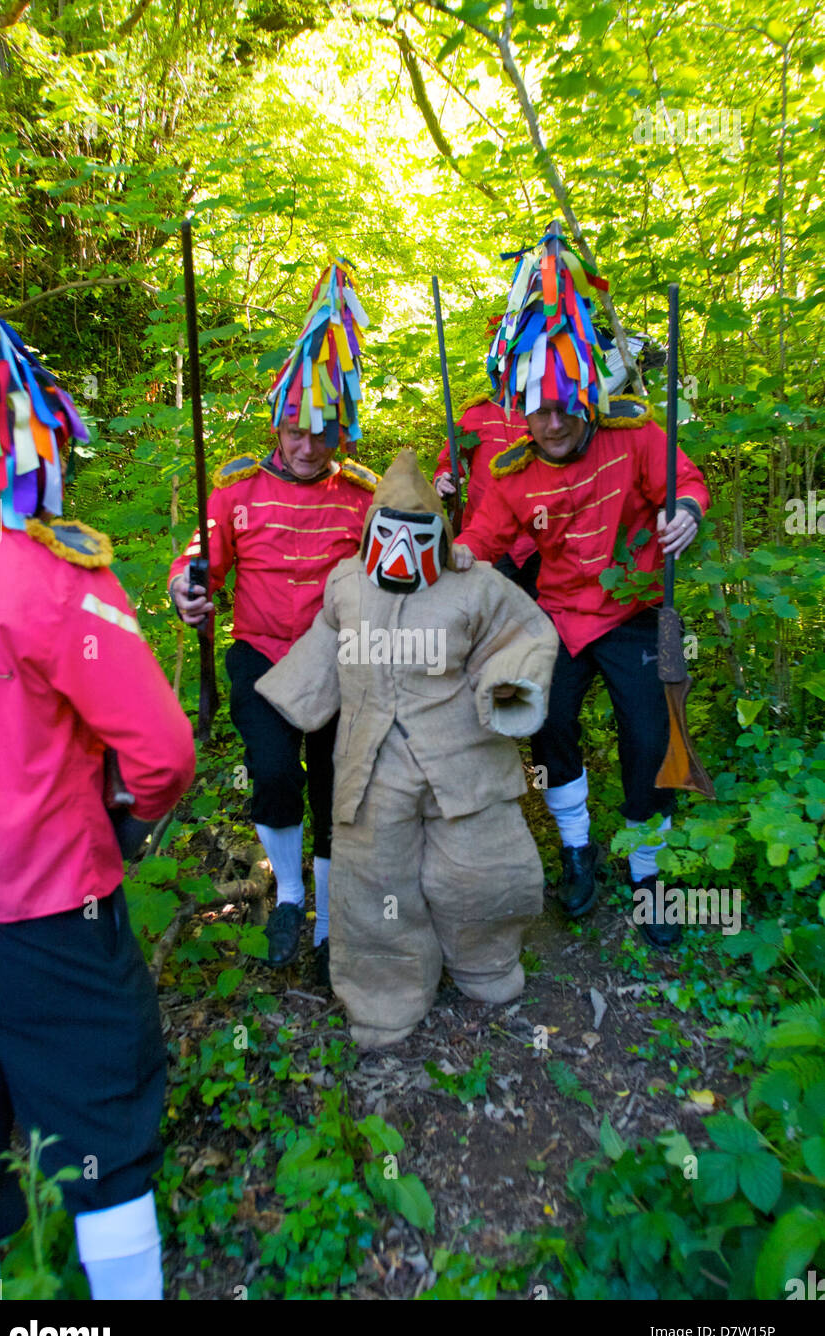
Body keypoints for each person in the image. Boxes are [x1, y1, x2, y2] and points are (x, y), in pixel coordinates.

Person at [0, 277, 196, 1300]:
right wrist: (135, 825)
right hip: (50, 912)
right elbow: (164, 751)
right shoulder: (54, 577)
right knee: (100, 1147)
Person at [452, 232, 710, 950]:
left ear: (586, 395)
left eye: (566, 404)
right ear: (522, 410)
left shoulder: (631, 434)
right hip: (558, 618)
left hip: (632, 612)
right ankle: (576, 849)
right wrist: (433, 566)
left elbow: (684, 481)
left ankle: (648, 869)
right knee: (546, 719)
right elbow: (481, 542)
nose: (556, 420)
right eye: (541, 409)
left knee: (653, 736)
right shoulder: (510, 470)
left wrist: (684, 512)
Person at [255, 449, 558, 1048]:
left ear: (437, 536)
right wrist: (290, 704)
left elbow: (523, 633)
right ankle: (384, 996)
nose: (398, 551)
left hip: (465, 757)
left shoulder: (475, 587)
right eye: (386, 536)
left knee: (481, 871)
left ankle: (487, 962)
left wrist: (508, 689)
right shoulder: (346, 584)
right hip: (372, 763)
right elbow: (327, 641)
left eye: (414, 537)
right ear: (370, 532)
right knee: (375, 885)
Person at [169, 261, 378, 981]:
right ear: (277, 426)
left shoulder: (360, 497)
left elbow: (394, 577)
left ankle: (330, 905)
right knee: (272, 773)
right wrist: (187, 591)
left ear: (338, 431)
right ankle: (288, 894)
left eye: (321, 431)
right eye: (295, 430)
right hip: (259, 654)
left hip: (334, 658)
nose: (306, 445)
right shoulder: (236, 491)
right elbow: (202, 558)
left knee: (332, 782)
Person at [433, 386, 541, 597]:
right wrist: (442, 479)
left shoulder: (545, 413)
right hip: (486, 534)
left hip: (538, 537)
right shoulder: (477, 413)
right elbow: (450, 459)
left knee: (544, 613)